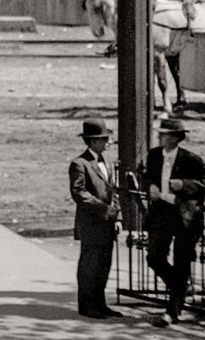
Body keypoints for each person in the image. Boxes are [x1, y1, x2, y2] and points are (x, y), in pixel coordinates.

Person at [143, 119, 205, 327]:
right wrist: (151, 186)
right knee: (154, 257)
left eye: (164, 134)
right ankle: (181, 287)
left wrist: (184, 184)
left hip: (184, 216)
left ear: (175, 138)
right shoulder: (154, 155)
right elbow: (147, 176)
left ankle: (172, 311)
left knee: (181, 262)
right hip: (161, 213)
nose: (160, 137)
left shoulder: (190, 159)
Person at [69, 116, 122, 319]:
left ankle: (100, 303)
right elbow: (79, 193)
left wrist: (117, 216)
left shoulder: (106, 163)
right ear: (92, 141)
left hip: (107, 223)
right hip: (91, 224)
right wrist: (104, 209)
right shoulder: (79, 164)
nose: (108, 142)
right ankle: (87, 304)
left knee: (104, 264)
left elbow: (112, 192)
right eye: (104, 139)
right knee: (90, 265)